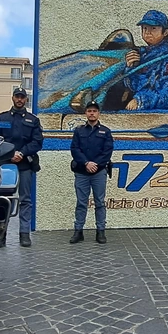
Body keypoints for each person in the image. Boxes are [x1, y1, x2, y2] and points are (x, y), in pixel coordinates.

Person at [0, 87, 44, 248]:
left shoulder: (32, 120)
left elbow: (37, 142)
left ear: (26, 99)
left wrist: (21, 153)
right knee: (2, 201)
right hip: (5, 165)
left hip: (24, 164)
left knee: (25, 200)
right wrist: (10, 154)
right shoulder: (1, 118)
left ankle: (24, 234)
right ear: (12, 98)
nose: (20, 99)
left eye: (22, 97)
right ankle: (1, 235)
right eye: (17, 96)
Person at [69, 101, 114, 244]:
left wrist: (96, 165)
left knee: (100, 202)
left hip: (99, 172)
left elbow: (107, 151)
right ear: (86, 113)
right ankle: (78, 231)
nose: (92, 113)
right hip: (82, 171)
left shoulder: (105, 131)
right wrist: (86, 163)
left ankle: (100, 232)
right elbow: (75, 149)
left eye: (95, 111)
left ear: (98, 113)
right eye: (89, 111)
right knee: (81, 202)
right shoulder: (79, 130)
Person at [123, 10, 168, 110]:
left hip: (161, 116)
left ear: (165, 32)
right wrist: (130, 68)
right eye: (144, 28)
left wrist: (141, 101)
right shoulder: (144, 55)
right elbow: (136, 86)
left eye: (153, 28)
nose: (147, 32)